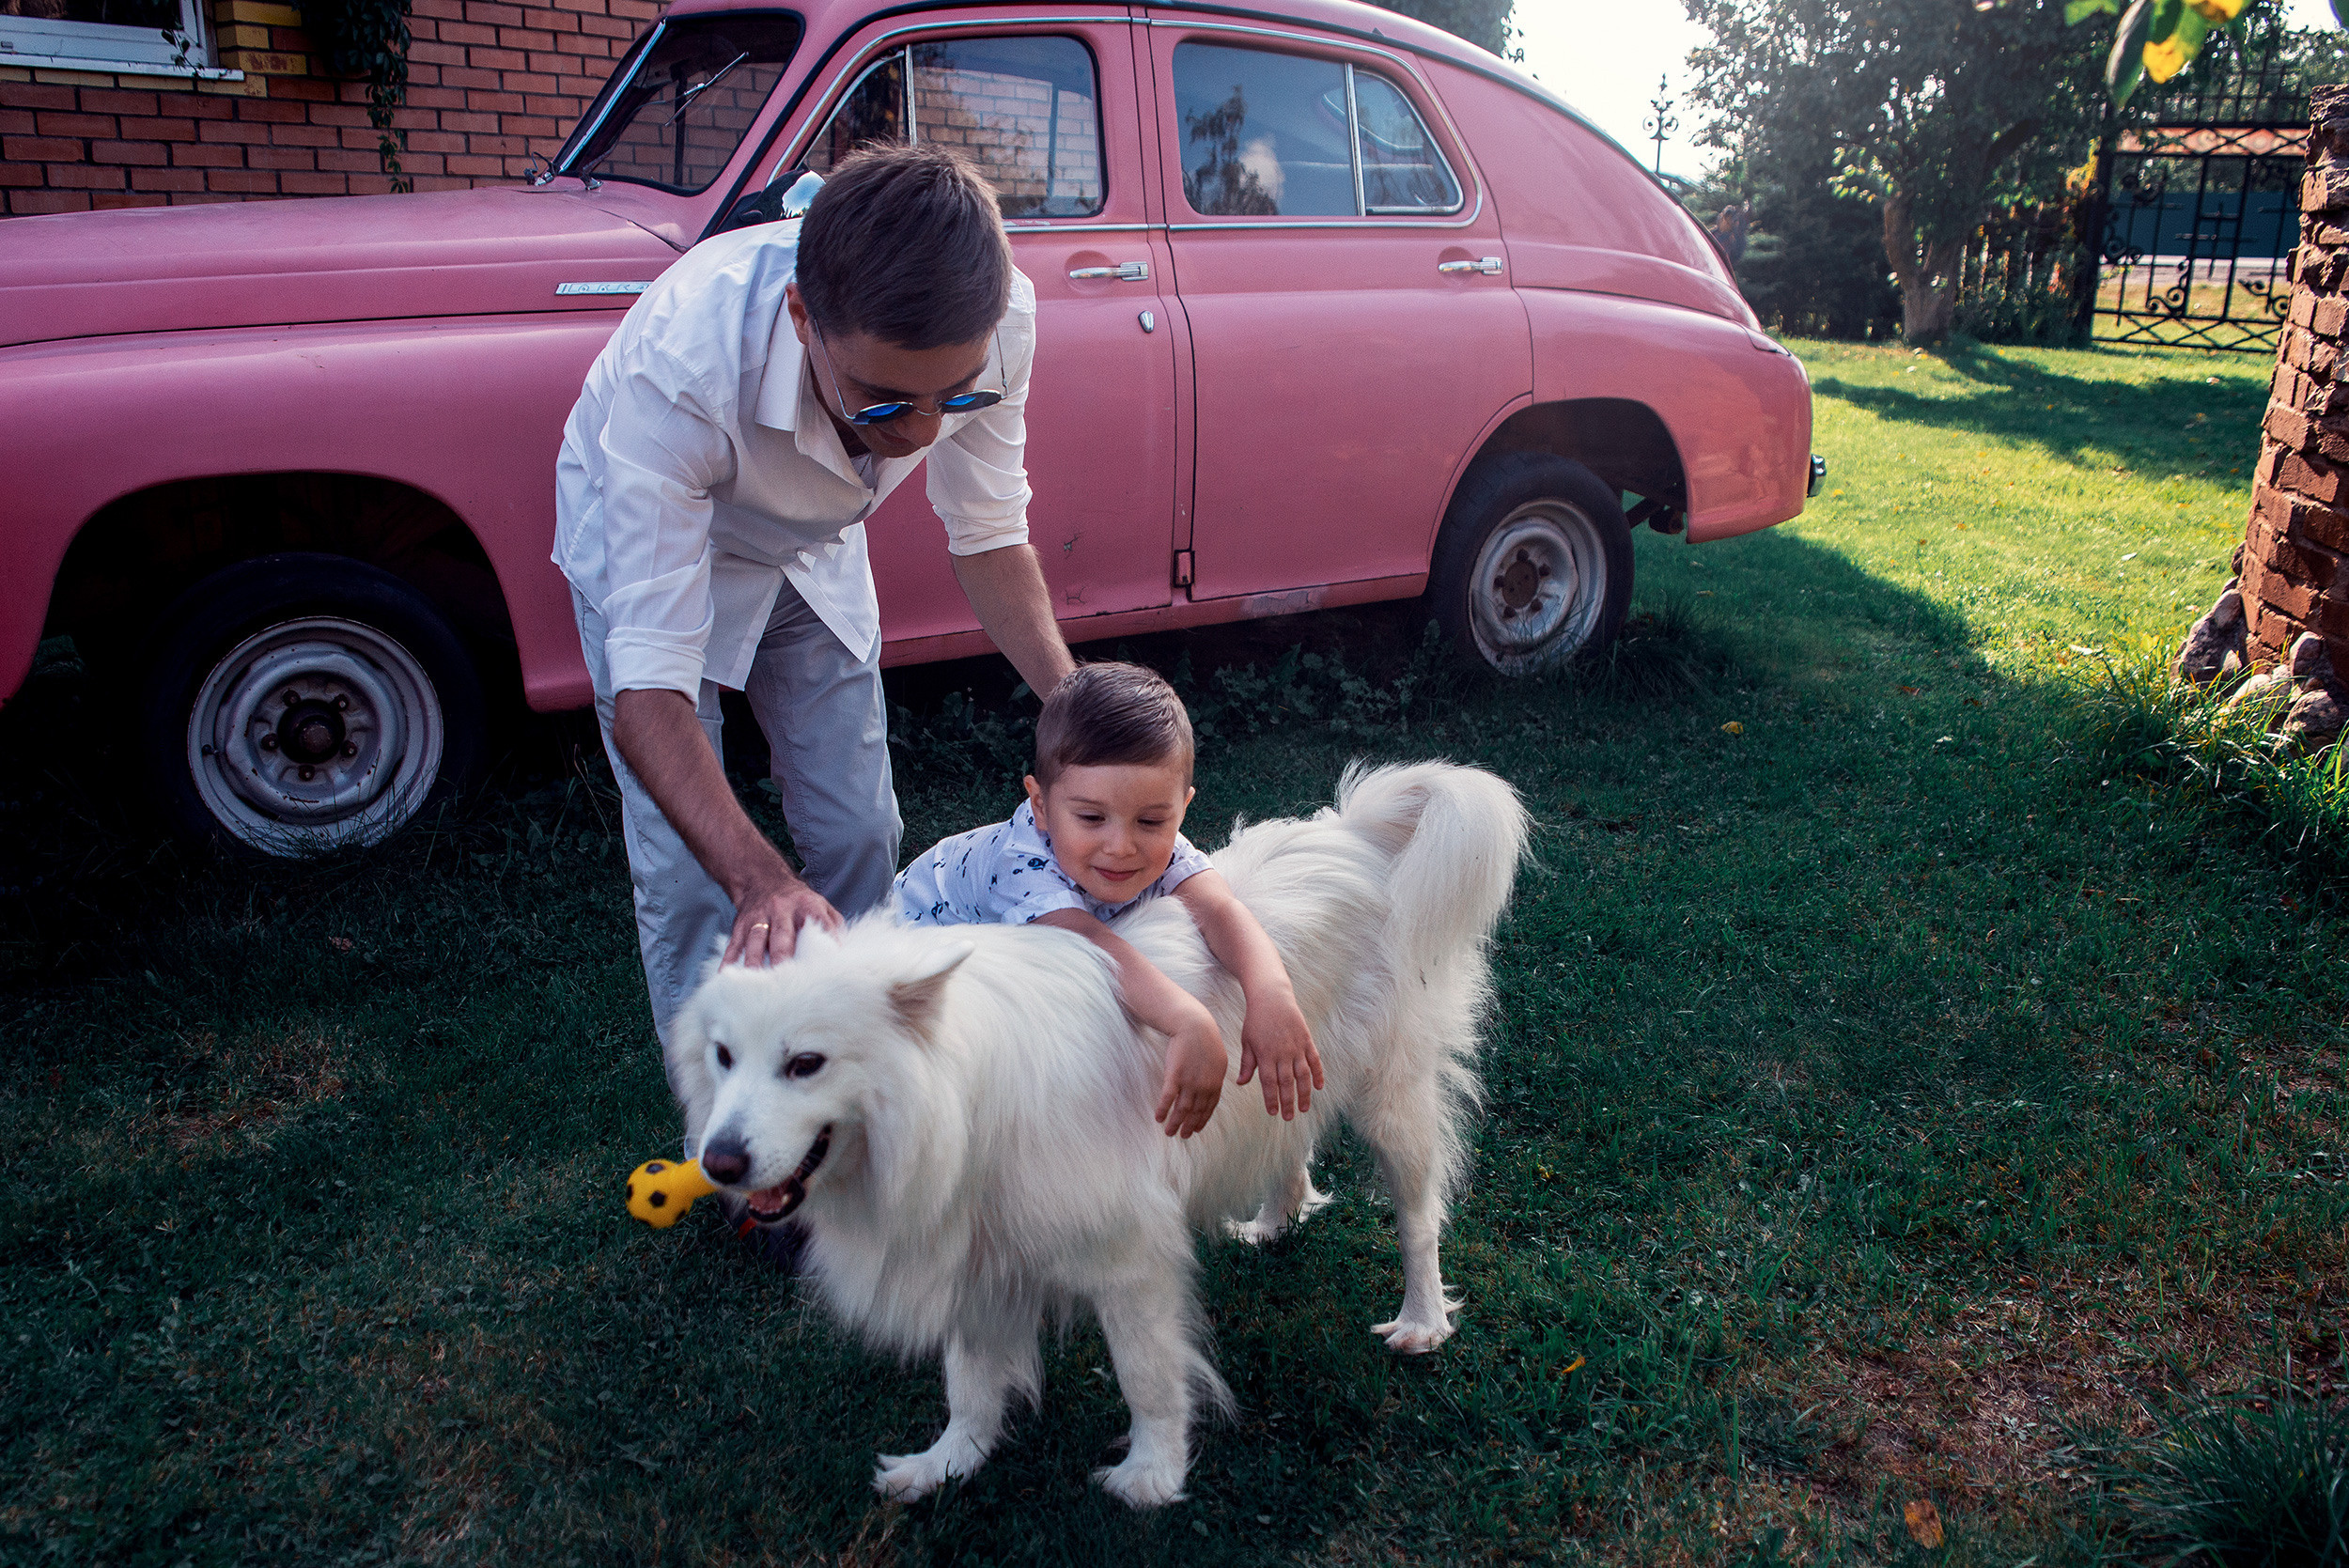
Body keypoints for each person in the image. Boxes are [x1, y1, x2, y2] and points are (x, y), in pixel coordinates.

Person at [553, 143, 1076, 1097]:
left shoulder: (1001, 318)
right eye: (886, 400)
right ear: (804, 318)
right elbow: (649, 698)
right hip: (669, 542)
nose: (922, 432)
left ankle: (858, 1090)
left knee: (859, 832)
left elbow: (989, 535)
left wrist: (1076, 707)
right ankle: (725, 1134)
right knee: (687, 879)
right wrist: (758, 879)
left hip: (814, 544)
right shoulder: (680, 373)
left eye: (948, 397)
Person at [894, 662, 1325, 1138]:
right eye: (1092, 818)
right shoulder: (1021, 866)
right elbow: (1090, 947)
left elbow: (1221, 910)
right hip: (921, 946)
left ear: (1183, 808)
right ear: (1040, 805)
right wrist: (1187, 1018)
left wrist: (1271, 993)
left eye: (1151, 822)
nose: (1121, 846)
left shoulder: (1166, 846)